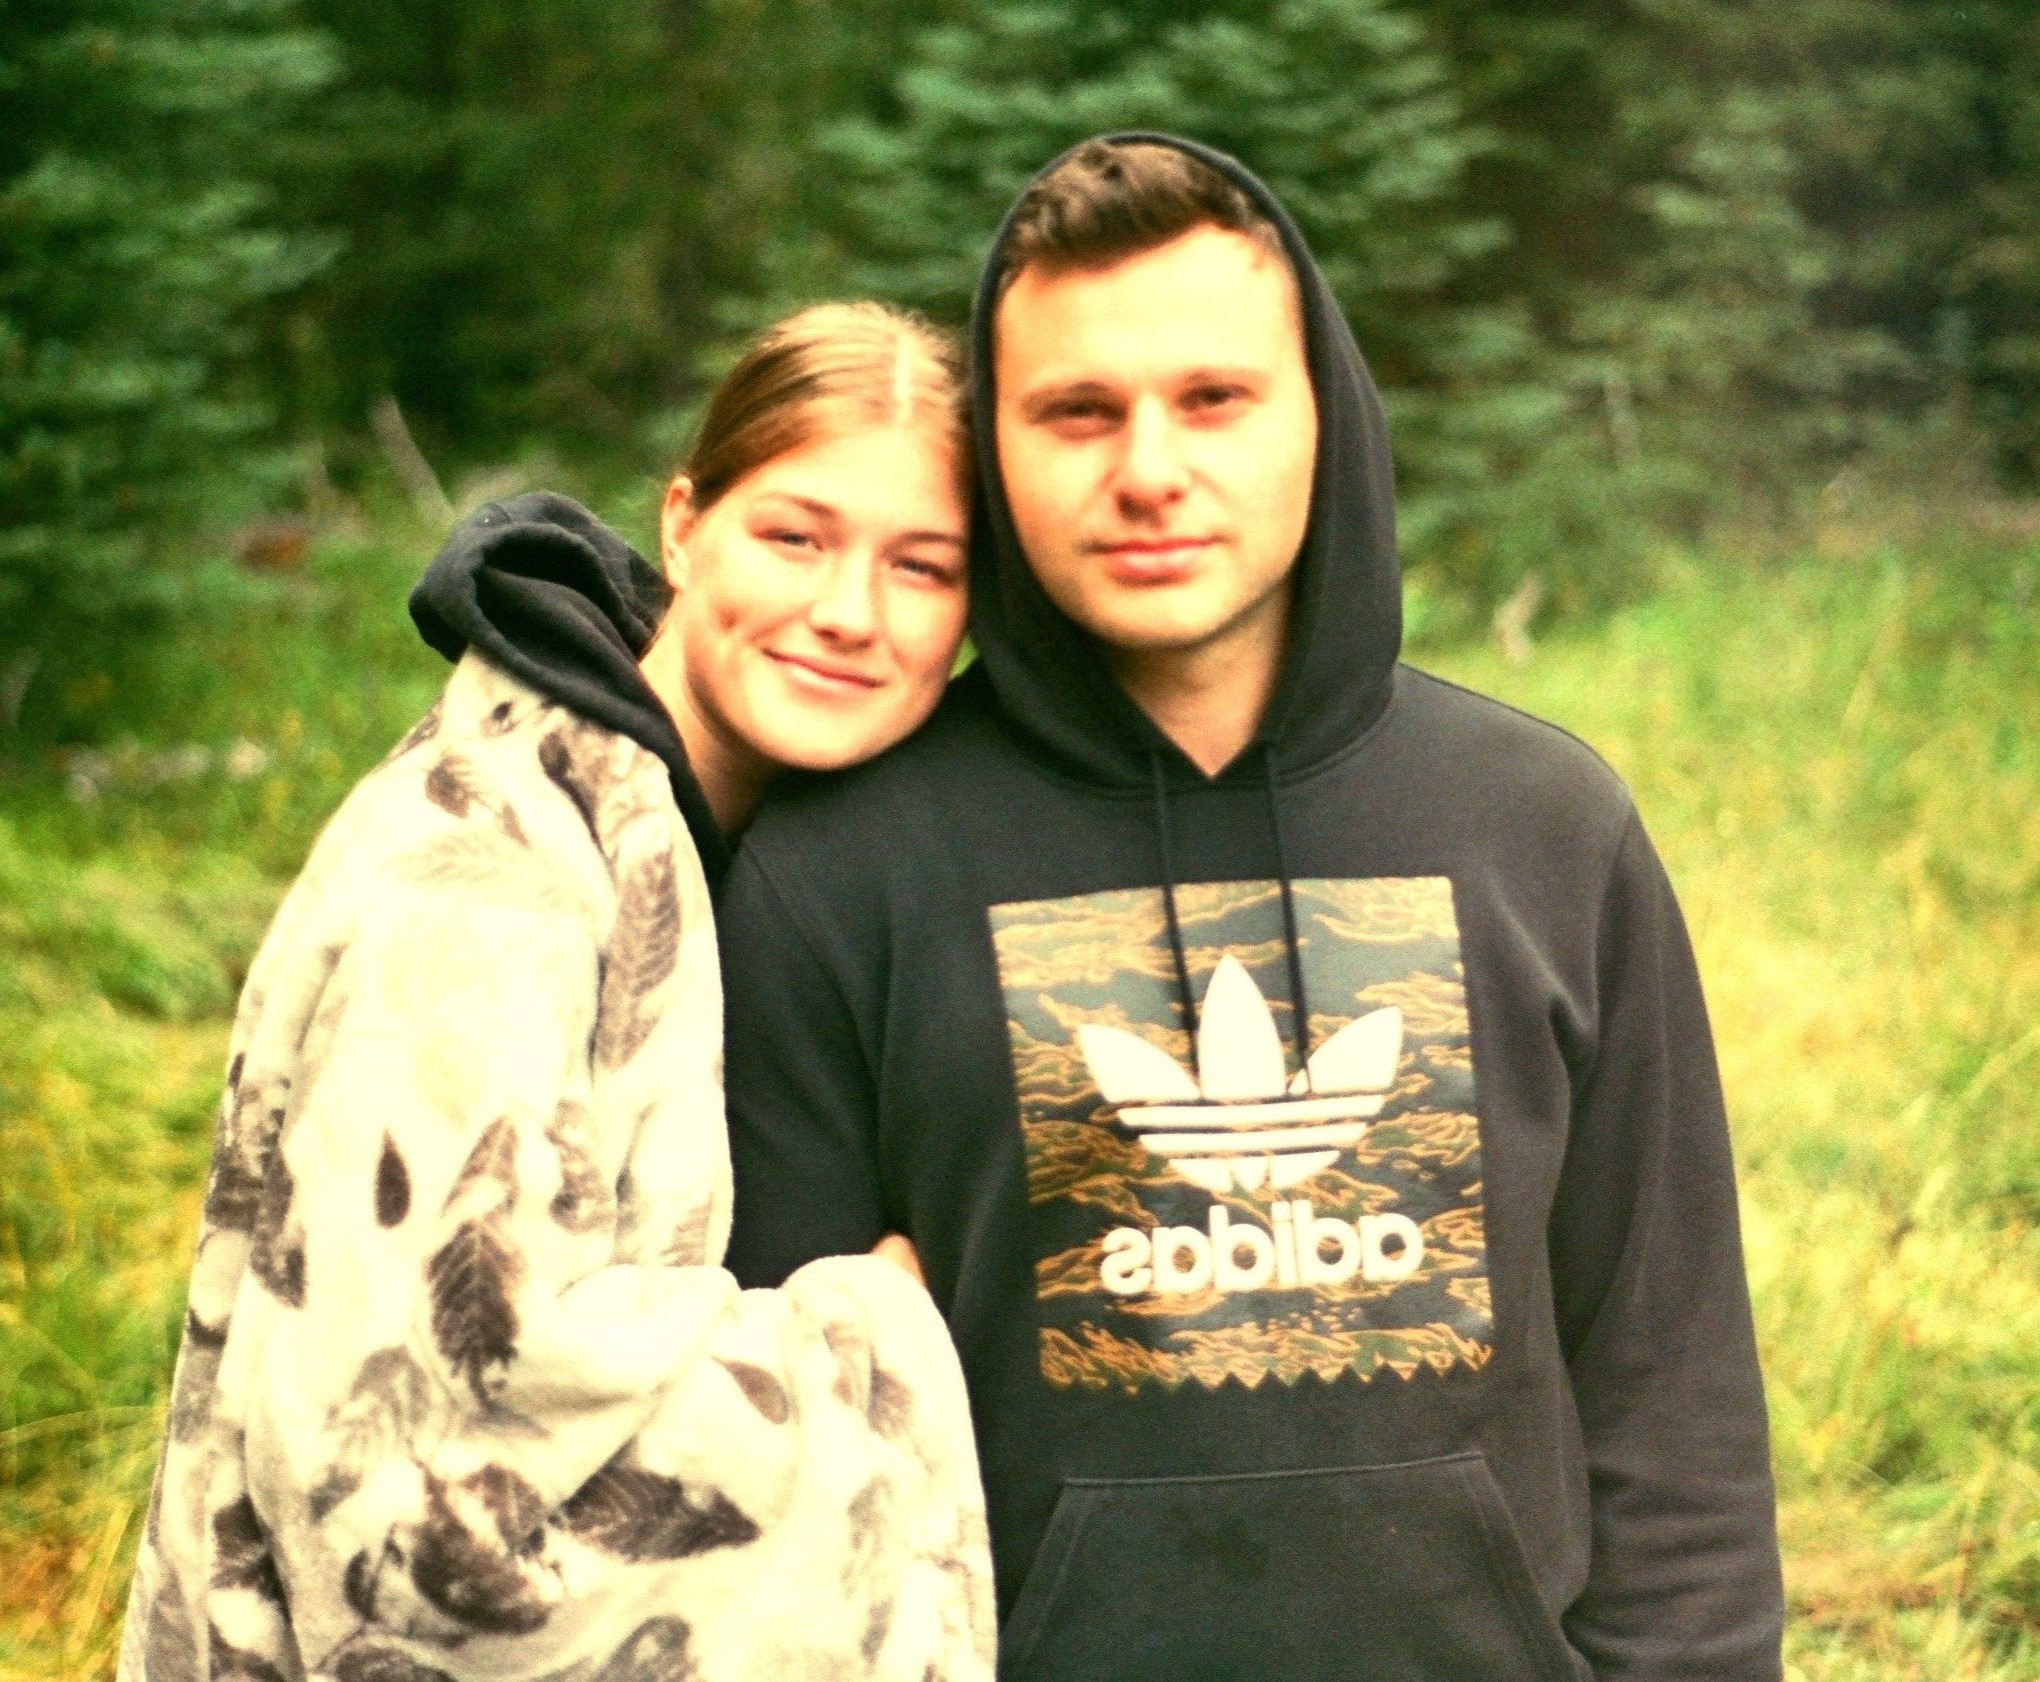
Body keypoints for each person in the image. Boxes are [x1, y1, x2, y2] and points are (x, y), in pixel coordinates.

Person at [720, 137, 1786, 1679]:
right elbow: (777, 1470)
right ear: (999, 451)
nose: (1148, 467)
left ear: (1321, 420)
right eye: (1077, 411)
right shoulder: (845, 870)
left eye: (1213, 399)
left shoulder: (1543, 828)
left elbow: (1667, 1380)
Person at [119, 302, 996, 1682]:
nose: (850, 612)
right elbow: (422, 1494)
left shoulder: (701, 839)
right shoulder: (488, 878)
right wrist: (870, 1340)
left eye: (923, 565)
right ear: (686, 525)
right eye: (796, 537)